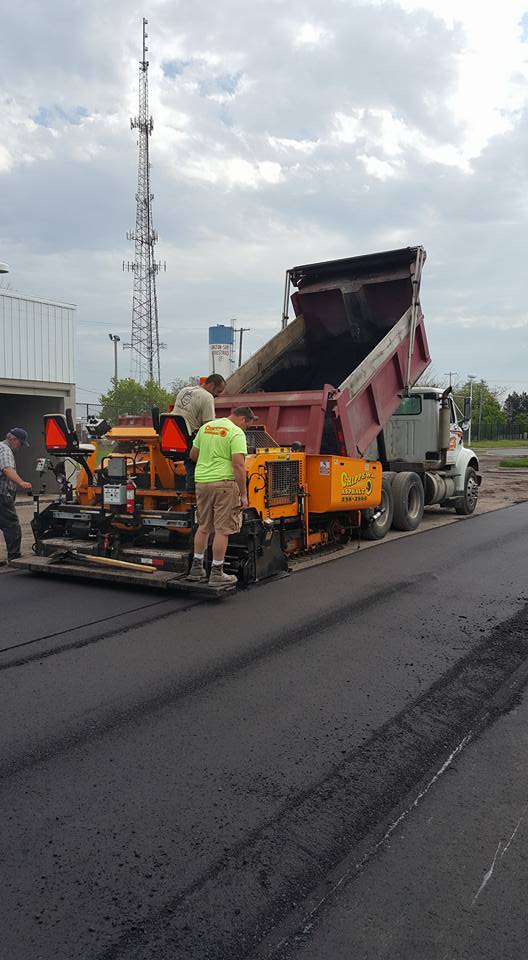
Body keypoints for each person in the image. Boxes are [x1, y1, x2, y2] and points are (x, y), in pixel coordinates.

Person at [187, 406, 257, 585]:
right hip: (224, 484)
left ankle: (196, 568)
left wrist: (209, 459)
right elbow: (238, 466)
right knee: (222, 530)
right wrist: (243, 494)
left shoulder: (207, 427)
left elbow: (193, 455)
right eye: (247, 424)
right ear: (243, 419)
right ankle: (217, 572)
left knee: (203, 526)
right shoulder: (236, 433)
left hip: (202, 483)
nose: (246, 428)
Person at [172, 375, 226, 491]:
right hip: (190, 440)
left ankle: (190, 485)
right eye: (218, 391)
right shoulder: (207, 397)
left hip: (175, 437)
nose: (218, 395)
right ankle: (200, 488)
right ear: (211, 385)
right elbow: (209, 426)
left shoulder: (184, 390)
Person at [0, 428, 32, 564]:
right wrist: (21, 482)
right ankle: (14, 557)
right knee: (11, 525)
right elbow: (7, 469)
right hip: (2, 494)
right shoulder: (5, 449)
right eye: (20, 443)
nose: (19, 446)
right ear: (13, 439)